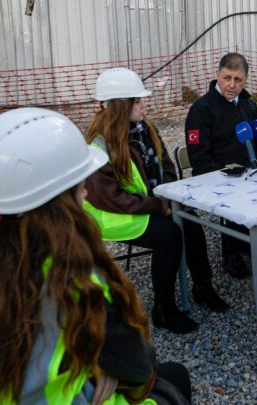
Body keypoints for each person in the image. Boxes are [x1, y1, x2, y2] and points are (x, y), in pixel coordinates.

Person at [0, 108, 192, 403]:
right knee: (174, 379)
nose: (86, 196)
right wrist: (97, 377)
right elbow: (138, 370)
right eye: (80, 188)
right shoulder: (75, 280)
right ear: (56, 203)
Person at [84, 68, 227, 335]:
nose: (143, 105)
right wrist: (158, 206)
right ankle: (164, 309)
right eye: (137, 101)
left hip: (148, 203)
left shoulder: (144, 128)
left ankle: (203, 287)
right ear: (119, 107)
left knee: (191, 221)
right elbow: (111, 198)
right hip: (112, 215)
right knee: (169, 235)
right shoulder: (98, 146)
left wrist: (169, 195)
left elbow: (165, 164)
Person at [184, 53, 257, 279]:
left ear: (245, 81)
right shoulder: (201, 109)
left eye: (238, 80)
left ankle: (249, 241)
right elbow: (199, 158)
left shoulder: (247, 103)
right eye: (227, 78)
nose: (232, 85)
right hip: (218, 175)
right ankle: (231, 251)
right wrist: (231, 174)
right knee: (238, 199)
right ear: (217, 75)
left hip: (251, 169)